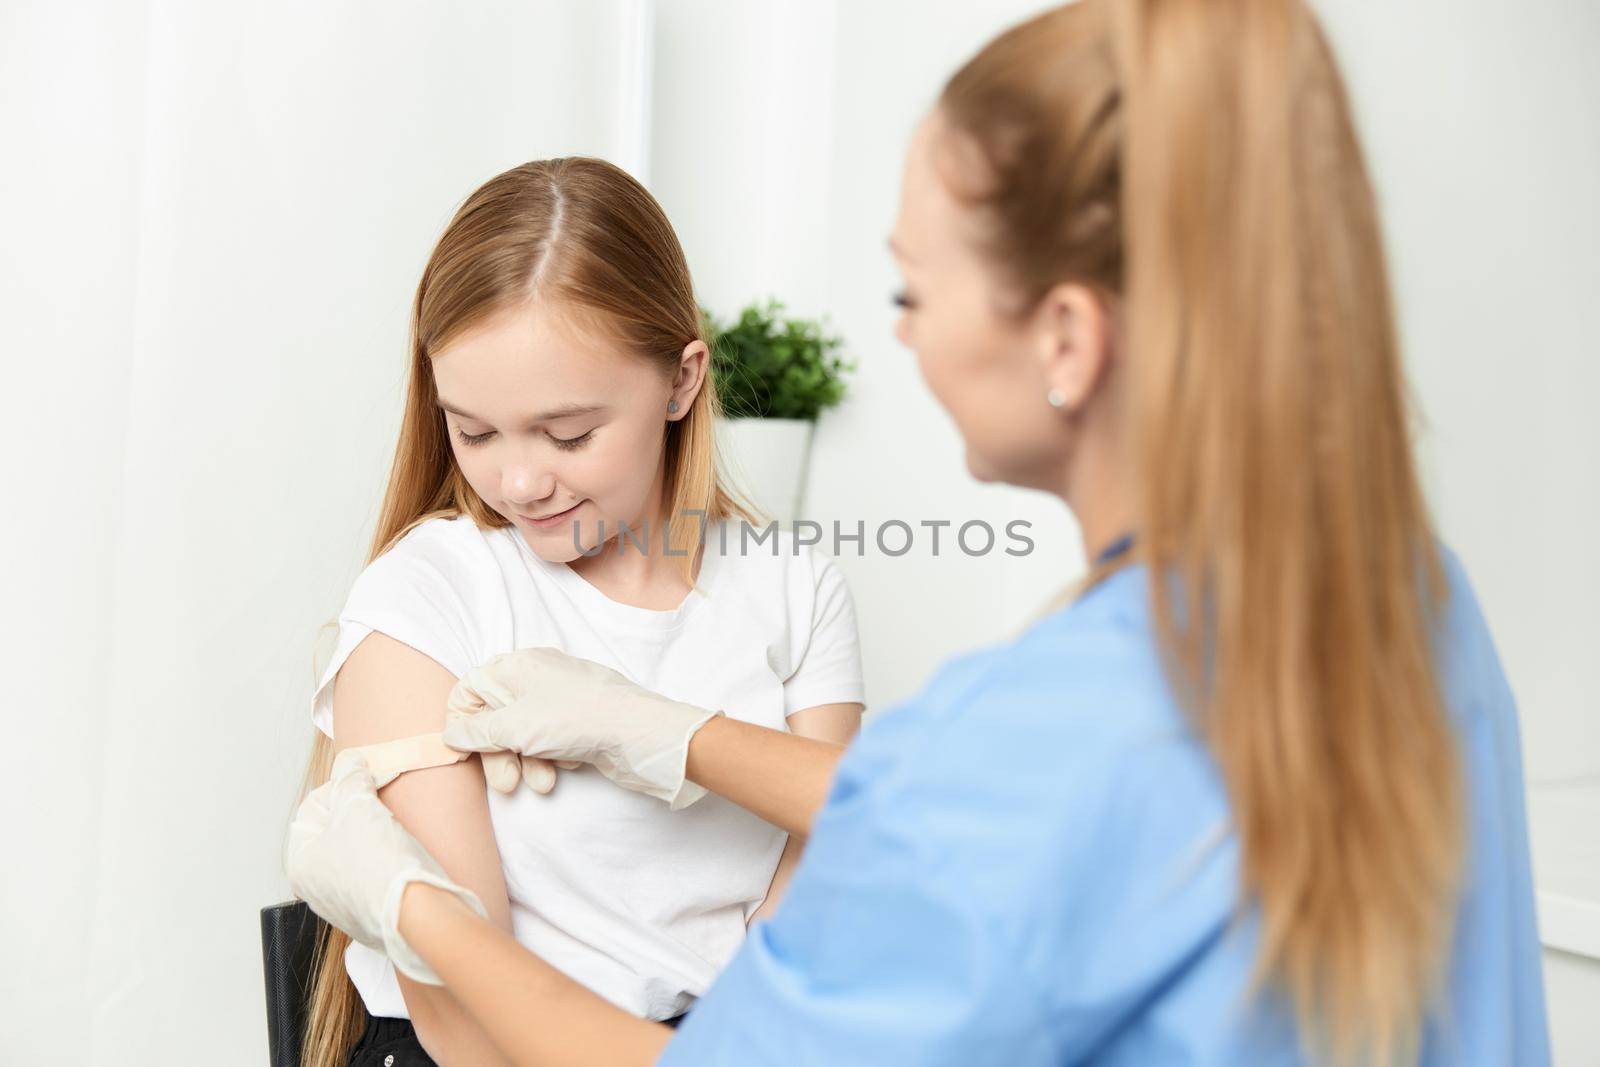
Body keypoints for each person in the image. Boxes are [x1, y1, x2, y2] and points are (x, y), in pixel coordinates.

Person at [286, 0, 1551, 1063]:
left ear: (1064, 336)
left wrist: (410, 906)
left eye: (912, 288)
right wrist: (673, 741)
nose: (898, 335)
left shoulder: (1028, 739)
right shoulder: (1418, 605)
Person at [295, 156, 866, 1067]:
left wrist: (653, 728)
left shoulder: (788, 585)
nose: (519, 480)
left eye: (569, 434)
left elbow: (820, 913)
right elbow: (464, 1032)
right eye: (473, 430)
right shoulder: (429, 595)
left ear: (681, 382)